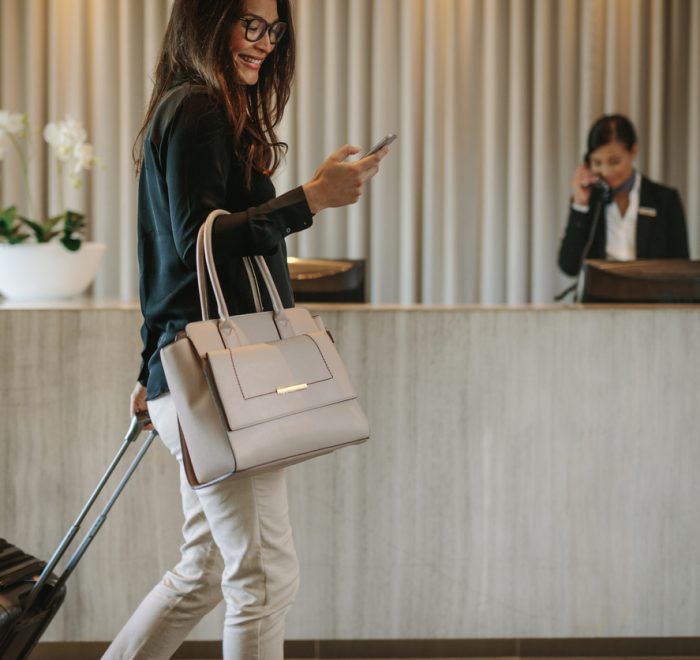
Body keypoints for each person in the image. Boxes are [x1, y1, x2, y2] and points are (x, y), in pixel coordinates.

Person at [103, 1, 389, 658]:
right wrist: (310, 198)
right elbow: (201, 239)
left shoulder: (180, 106)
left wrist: (150, 370)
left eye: (273, 28)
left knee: (204, 571)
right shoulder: (201, 108)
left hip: (192, 380)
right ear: (209, 21)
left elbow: (163, 261)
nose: (263, 42)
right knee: (263, 579)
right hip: (220, 390)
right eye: (248, 24)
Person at [558, 113, 689, 277]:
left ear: (633, 151)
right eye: (597, 163)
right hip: (599, 298)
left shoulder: (665, 200)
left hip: (650, 298)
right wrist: (580, 204)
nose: (606, 172)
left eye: (614, 162)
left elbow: (681, 269)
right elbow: (569, 267)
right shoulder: (590, 200)